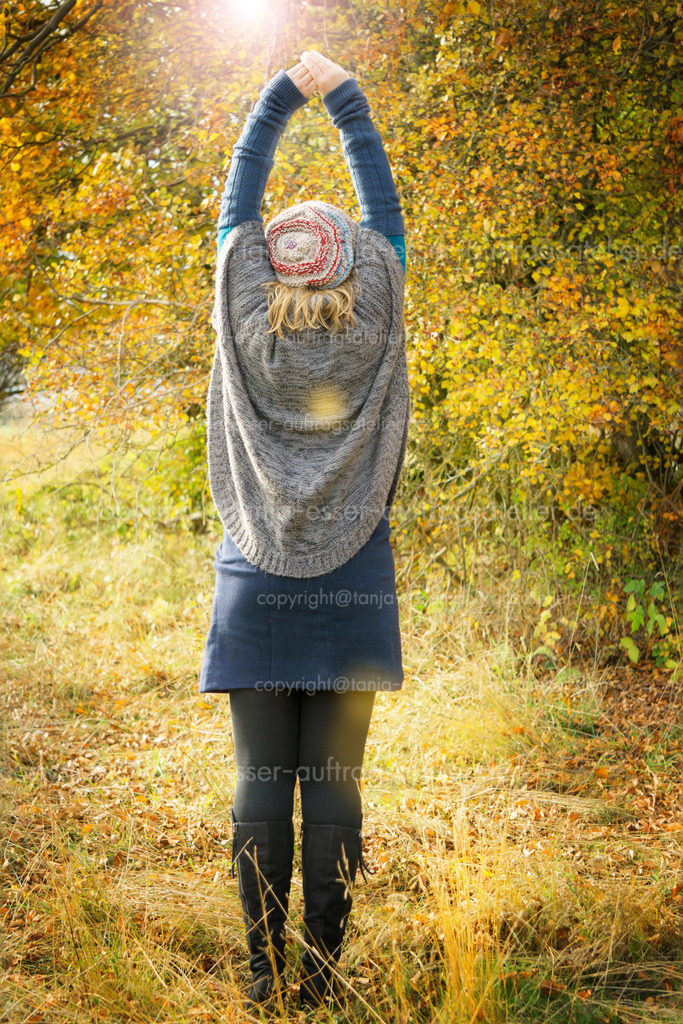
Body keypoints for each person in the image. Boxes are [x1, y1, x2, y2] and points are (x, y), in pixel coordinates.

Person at [199, 49, 409, 1010]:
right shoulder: (377, 309)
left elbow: (238, 200)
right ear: (360, 265)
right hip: (352, 579)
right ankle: (318, 980)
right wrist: (346, 101)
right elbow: (384, 215)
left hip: (254, 576)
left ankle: (261, 974)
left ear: (264, 260)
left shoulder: (242, 306)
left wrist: (281, 94)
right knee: (332, 779)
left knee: (260, 775)